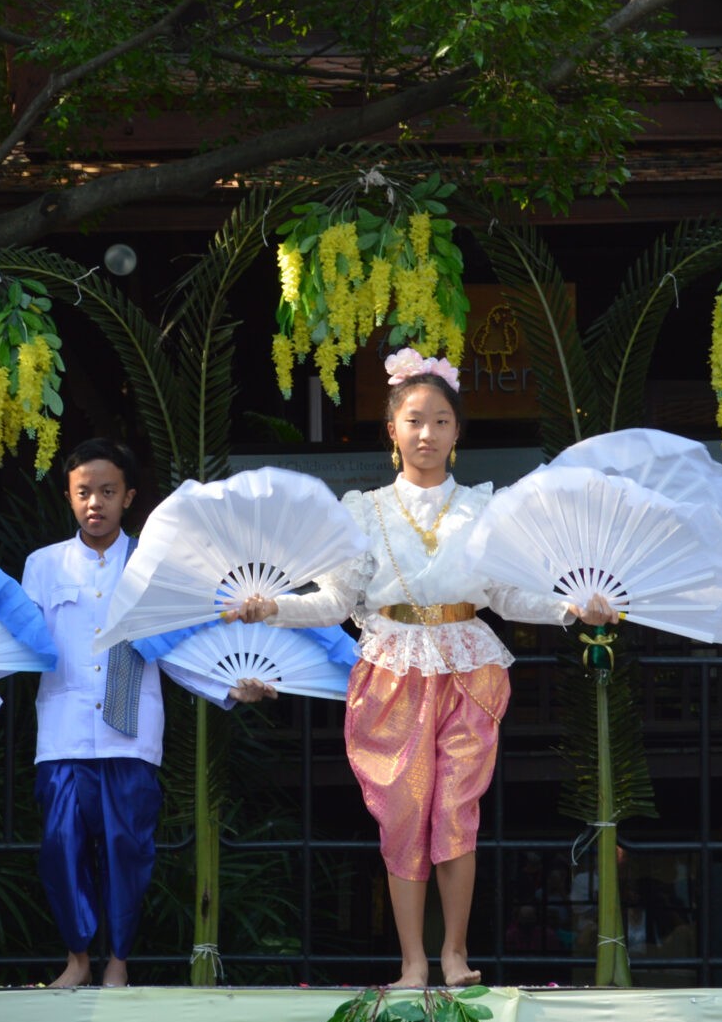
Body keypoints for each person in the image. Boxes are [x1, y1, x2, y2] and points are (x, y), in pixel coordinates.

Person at [229, 349, 612, 989]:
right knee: (405, 812)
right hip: (391, 666)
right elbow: (335, 600)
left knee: (457, 809)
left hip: (468, 663)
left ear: (458, 432)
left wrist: (571, 608)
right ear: (392, 431)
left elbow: (509, 595)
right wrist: (273, 607)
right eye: (414, 420)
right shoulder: (362, 511)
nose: (426, 433)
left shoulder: (485, 509)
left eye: (440, 421)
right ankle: (412, 963)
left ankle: (455, 956)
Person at [20, 438, 273, 990]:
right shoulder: (42, 567)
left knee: (126, 849)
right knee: (62, 847)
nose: (96, 503)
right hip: (62, 734)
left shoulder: (151, 569)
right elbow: (19, 642)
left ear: (128, 497)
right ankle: (77, 958)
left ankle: (118, 961)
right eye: (84, 492)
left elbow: (176, 647)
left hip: (129, 734)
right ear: (68, 497)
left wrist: (233, 685)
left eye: (107, 492)